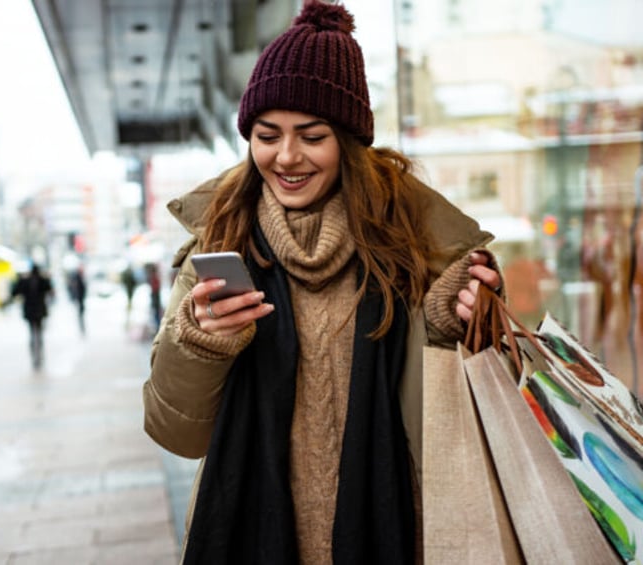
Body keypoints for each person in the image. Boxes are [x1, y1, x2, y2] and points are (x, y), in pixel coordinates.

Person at [142, 2, 503, 563]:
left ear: (348, 143)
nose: (286, 157)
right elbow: (175, 432)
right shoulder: (218, 244)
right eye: (267, 135)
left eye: (311, 136)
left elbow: (456, 434)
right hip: (252, 534)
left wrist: (445, 327)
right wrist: (200, 343)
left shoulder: (415, 248)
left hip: (399, 532)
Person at [11, 263, 54, 369]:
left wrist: (19, 279)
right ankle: (39, 353)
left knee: (32, 333)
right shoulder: (42, 280)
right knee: (38, 333)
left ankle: (35, 355)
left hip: (30, 311)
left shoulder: (25, 280)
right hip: (39, 310)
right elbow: (50, 291)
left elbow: (14, 292)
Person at [67, 266, 87, 336]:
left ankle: (81, 325)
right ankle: (81, 325)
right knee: (80, 313)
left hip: (80, 298)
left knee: (81, 313)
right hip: (79, 298)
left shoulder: (79, 278)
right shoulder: (77, 278)